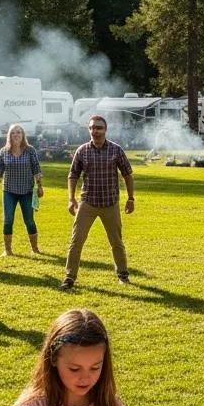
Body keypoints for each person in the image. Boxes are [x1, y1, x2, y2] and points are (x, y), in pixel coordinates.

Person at [62, 115, 135, 290]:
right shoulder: (82, 151)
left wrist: (131, 198)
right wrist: (71, 199)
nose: (95, 131)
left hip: (110, 203)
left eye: (99, 128)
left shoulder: (116, 150)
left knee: (116, 241)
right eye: (92, 128)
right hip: (87, 203)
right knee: (76, 240)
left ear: (105, 129)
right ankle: (69, 277)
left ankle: (123, 275)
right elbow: (73, 175)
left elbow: (127, 174)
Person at [0, 124, 43, 256]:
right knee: (8, 219)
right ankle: (7, 250)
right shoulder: (4, 151)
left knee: (29, 220)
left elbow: (36, 169)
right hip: (9, 191)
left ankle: (35, 249)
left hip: (27, 191)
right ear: (9, 136)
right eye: (13, 133)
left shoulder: (30, 150)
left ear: (23, 135)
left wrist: (40, 186)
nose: (16, 135)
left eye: (19, 132)